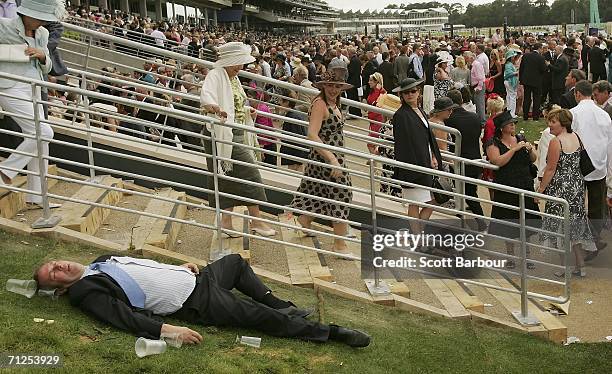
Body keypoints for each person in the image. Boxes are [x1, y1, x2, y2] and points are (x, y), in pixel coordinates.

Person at [33, 254, 370, 347]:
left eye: (54, 263)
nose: (58, 267)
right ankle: (331, 333)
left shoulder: (100, 262)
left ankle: (282, 305)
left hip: (195, 278)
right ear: (60, 289)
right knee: (257, 317)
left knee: (235, 263)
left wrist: (176, 267)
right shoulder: (84, 292)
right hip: (194, 301)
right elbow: (122, 318)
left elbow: (143, 267)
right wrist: (168, 330)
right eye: (54, 275)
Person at [200, 42, 276, 238]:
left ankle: (227, 222)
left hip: (233, 132)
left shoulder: (233, 78)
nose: (240, 68)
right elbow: (206, 97)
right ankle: (256, 221)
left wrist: (247, 111)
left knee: (228, 178)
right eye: (238, 63)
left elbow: (237, 103)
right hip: (222, 133)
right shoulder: (216, 75)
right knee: (250, 174)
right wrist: (215, 109)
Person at [0, 0, 65, 209]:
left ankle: (37, 196)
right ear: (25, 13)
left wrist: (43, 55)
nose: (40, 22)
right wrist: (20, 53)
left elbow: (45, 68)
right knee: (44, 133)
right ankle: (6, 171)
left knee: (40, 141)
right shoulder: (4, 26)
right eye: (37, 17)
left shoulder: (43, 34)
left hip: (35, 88)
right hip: (10, 86)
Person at [291, 60, 353, 255]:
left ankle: (305, 221)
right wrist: (332, 159)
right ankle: (340, 244)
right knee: (342, 194)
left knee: (317, 191)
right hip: (326, 157)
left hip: (330, 156)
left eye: (337, 86)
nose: (333, 89)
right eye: (330, 85)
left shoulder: (334, 103)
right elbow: (312, 134)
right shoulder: (320, 104)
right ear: (323, 86)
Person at [537, 109, 595, 277]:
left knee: (560, 227)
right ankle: (580, 266)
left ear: (562, 123)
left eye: (553, 122)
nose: (549, 125)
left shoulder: (556, 141)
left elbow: (550, 169)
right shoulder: (576, 136)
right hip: (577, 186)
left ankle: (565, 267)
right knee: (575, 226)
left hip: (560, 188)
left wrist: (540, 190)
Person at [485, 110, 541, 269]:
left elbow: (534, 158)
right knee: (508, 222)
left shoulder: (521, 138)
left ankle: (527, 256)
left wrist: (529, 150)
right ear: (502, 128)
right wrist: (514, 149)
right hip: (506, 186)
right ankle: (510, 256)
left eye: (513, 124)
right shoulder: (493, 143)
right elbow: (497, 161)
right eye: (510, 124)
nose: (513, 126)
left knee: (527, 222)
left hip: (524, 183)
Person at [392, 78, 443, 234]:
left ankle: (417, 233)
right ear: (401, 95)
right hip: (413, 165)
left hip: (425, 162)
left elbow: (427, 137)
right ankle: (417, 235)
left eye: (412, 91)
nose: (409, 95)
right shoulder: (401, 115)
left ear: (419, 92)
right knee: (415, 203)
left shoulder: (419, 110)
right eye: (406, 92)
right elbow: (403, 144)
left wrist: (434, 156)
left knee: (434, 199)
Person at [569, 80, 612, 259]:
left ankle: (587, 242)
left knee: (577, 206)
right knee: (596, 205)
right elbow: (610, 145)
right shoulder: (604, 115)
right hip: (599, 165)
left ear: (578, 94)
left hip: (579, 166)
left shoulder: (573, 114)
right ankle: (594, 238)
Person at [445, 89, 487, 231]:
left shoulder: (448, 120)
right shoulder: (475, 117)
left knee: (459, 192)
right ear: (461, 101)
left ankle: (464, 221)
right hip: (475, 160)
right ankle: (479, 221)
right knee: (470, 193)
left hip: (457, 162)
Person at [519, 43, 547, 121]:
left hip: (527, 81)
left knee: (527, 98)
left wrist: (521, 80)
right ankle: (535, 116)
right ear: (539, 48)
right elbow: (543, 69)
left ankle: (525, 116)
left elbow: (522, 68)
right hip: (537, 81)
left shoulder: (526, 56)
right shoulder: (541, 58)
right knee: (536, 99)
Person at [366, 72, 386, 155]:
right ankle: (374, 159)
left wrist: (378, 90)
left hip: (378, 120)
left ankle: (374, 160)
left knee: (370, 144)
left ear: (377, 82)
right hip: (372, 120)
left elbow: (376, 103)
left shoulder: (382, 92)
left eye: (371, 80)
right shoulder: (372, 91)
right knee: (373, 144)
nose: (369, 82)